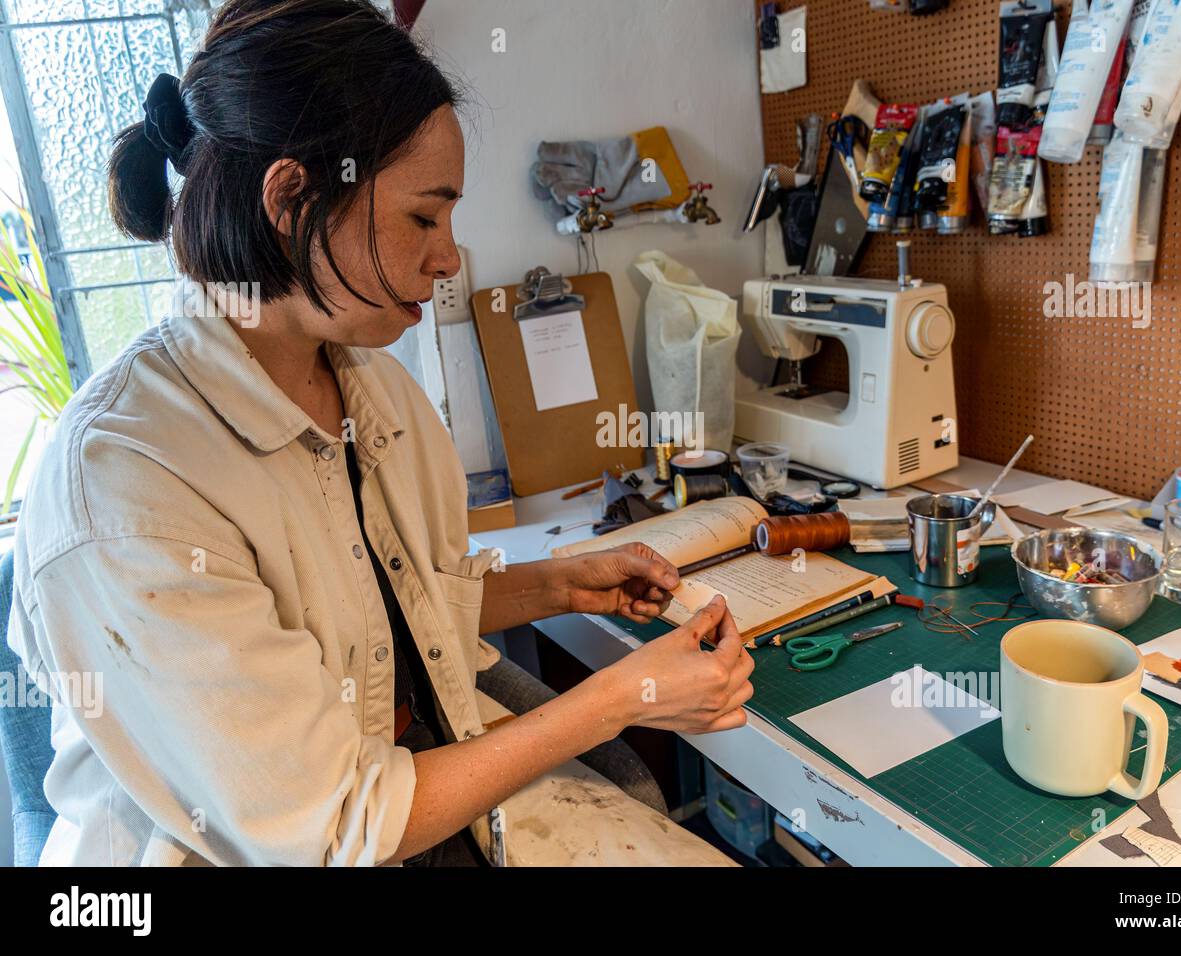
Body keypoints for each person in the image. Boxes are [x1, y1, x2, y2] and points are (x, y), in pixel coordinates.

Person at [7, 0, 752, 867]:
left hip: (397, 785)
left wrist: (560, 584)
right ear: (291, 197)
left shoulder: (372, 387)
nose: (450, 258)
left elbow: (382, 608)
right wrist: (623, 695)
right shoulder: (126, 482)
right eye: (423, 218)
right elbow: (332, 830)